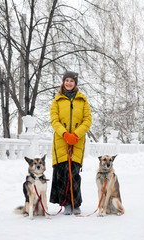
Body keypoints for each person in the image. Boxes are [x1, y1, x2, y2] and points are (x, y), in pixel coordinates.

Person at [50, 70, 92, 215]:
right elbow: (54, 121)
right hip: (61, 142)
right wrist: (65, 134)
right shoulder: (57, 100)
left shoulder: (82, 99)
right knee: (62, 173)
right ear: (63, 82)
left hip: (77, 142)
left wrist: (76, 135)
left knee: (74, 174)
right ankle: (66, 203)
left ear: (75, 83)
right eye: (66, 80)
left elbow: (87, 120)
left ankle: (76, 203)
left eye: (71, 81)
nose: (68, 83)